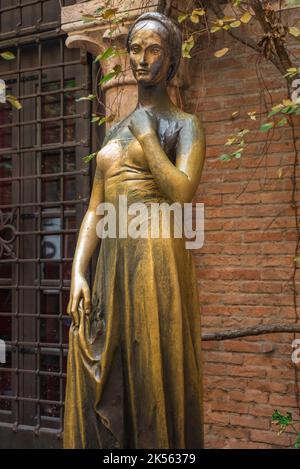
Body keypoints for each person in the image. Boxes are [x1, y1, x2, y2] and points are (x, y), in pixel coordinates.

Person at [64, 11, 206, 449]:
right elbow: (94, 210)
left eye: (153, 50)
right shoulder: (113, 129)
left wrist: (147, 138)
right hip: (111, 264)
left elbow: (182, 194)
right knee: (103, 364)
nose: (141, 59)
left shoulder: (186, 125)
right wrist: (78, 271)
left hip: (155, 258)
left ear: (172, 60)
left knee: (150, 370)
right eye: (135, 49)